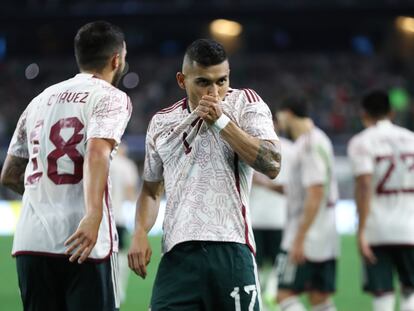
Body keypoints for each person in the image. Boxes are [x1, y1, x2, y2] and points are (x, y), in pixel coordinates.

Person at [128, 38, 281, 310]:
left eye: (221, 81)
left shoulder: (246, 104)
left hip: (232, 248)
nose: (214, 92)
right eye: (203, 82)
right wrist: (140, 232)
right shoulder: (162, 122)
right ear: (181, 80)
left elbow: (272, 164)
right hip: (178, 254)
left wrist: (221, 123)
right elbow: (151, 191)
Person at [0, 21, 132, 311]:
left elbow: (9, 175)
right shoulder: (111, 97)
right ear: (116, 59)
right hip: (85, 241)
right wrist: (94, 214)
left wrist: (47, 195)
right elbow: (97, 151)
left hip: (32, 241)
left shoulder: (39, 100)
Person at [347, 90, 414, 311]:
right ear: (392, 112)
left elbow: (365, 185)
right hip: (410, 228)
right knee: (410, 291)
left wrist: (361, 231)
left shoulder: (361, 142)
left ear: (363, 114)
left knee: (382, 294)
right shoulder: (411, 139)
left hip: (377, 230)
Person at [275, 97, 339, 311]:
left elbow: (316, 190)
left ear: (288, 113)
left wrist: (300, 237)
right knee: (319, 298)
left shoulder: (309, 143)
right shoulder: (320, 139)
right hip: (326, 233)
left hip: (306, 232)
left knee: (283, 294)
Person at [249, 135, 293, 308]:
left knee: (258, 267)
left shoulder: (247, 143)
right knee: (274, 266)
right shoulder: (289, 147)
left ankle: (266, 299)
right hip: (272, 219)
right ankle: (270, 297)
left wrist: (263, 183)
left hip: (264, 218)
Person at [109, 143, 139, 303]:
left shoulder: (103, 160)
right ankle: (118, 290)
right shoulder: (127, 166)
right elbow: (130, 193)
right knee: (120, 254)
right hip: (118, 216)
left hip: (100, 218)